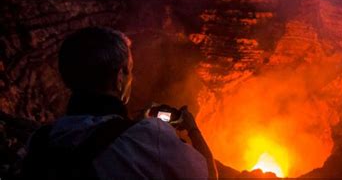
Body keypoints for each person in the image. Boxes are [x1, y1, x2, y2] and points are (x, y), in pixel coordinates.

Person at [21, 27, 218, 179]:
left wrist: (130, 123)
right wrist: (192, 129)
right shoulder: (149, 137)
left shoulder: (40, 141)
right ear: (119, 78)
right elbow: (209, 175)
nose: (132, 78)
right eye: (129, 70)